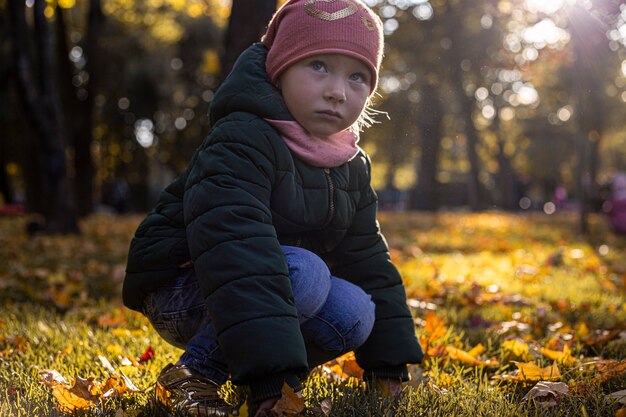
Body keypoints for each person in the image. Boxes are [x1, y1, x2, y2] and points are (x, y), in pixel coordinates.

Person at [122, 0, 423, 415]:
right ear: (279, 68)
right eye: (318, 65)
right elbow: (236, 249)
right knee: (307, 271)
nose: (338, 90)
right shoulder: (242, 138)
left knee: (355, 310)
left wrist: (389, 363)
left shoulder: (349, 163)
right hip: (187, 286)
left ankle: (277, 376)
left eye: (357, 76)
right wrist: (267, 373)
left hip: (274, 283)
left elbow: (368, 260)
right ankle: (193, 377)